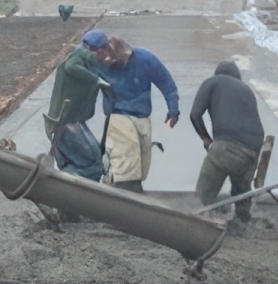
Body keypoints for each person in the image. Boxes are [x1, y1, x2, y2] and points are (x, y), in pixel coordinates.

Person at [90, 32, 180, 191]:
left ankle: (123, 186)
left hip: (142, 116)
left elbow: (167, 84)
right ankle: (124, 193)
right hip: (117, 115)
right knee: (126, 163)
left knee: (141, 165)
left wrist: (173, 109)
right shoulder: (95, 61)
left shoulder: (145, 59)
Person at [189, 60, 266, 222]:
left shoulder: (212, 82)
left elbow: (195, 114)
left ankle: (198, 222)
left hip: (226, 146)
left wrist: (206, 139)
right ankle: (242, 221)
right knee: (242, 192)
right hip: (254, 148)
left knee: (202, 198)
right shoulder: (247, 90)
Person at [44, 35, 107, 180]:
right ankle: (79, 193)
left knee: (95, 155)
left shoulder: (83, 58)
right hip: (65, 121)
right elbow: (71, 66)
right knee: (93, 162)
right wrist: (95, 79)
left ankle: (77, 189)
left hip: (68, 120)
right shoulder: (80, 57)